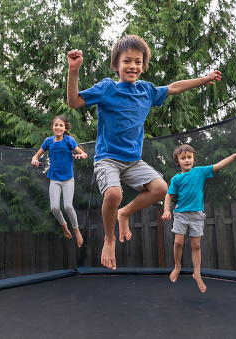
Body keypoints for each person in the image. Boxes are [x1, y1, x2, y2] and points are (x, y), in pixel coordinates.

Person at [67, 34, 222, 270]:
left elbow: (174, 87)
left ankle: (124, 214)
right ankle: (109, 239)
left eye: (138, 62)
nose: (133, 66)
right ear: (116, 65)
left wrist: (204, 79)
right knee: (113, 195)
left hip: (132, 161)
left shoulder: (147, 91)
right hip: (108, 158)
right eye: (127, 61)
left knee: (161, 188)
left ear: (143, 65)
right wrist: (73, 71)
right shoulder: (107, 88)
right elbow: (74, 102)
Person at [162, 144, 236, 292]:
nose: (187, 160)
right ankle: (177, 266)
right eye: (183, 158)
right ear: (177, 161)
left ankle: (197, 273)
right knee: (178, 242)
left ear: (193, 159)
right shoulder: (176, 179)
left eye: (189, 157)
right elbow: (168, 195)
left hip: (197, 214)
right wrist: (166, 210)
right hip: (181, 214)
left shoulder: (200, 172)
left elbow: (218, 165)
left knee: (196, 245)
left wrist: (235, 156)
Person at [31, 115, 87, 247]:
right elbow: (36, 155)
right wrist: (34, 159)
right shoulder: (48, 142)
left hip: (68, 179)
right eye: (56, 125)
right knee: (54, 207)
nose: (58, 127)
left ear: (65, 128)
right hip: (54, 179)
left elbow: (84, 154)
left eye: (61, 125)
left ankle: (76, 230)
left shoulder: (69, 140)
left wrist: (81, 155)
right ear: (52, 127)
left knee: (68, 206)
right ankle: (64, 225)